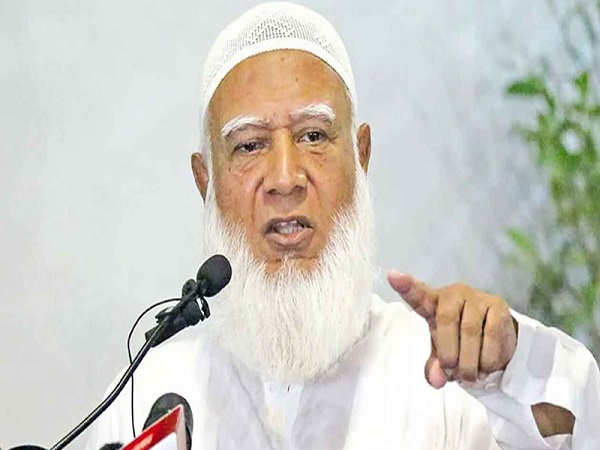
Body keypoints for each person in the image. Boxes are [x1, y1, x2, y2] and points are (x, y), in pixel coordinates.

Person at [86, 3, 600, 449]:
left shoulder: (453, 380)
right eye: (249, 145)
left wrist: (513, 364)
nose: (285, 178)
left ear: (361, 156)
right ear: (206, 181)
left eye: (313, 136)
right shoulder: (148, 396)